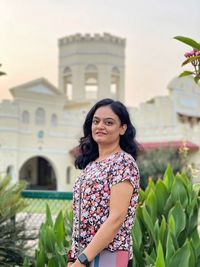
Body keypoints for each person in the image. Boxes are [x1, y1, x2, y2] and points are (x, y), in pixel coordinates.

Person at [67, 98, 140, 267]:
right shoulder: (92, 165)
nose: (100, 126)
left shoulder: (123, 163)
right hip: (82, 256)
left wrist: (82, 261)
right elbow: (80, 217)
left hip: (108, 259)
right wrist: (73, 258)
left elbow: (116, 219)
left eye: (109, 122)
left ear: (123, 128)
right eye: (96, 121)